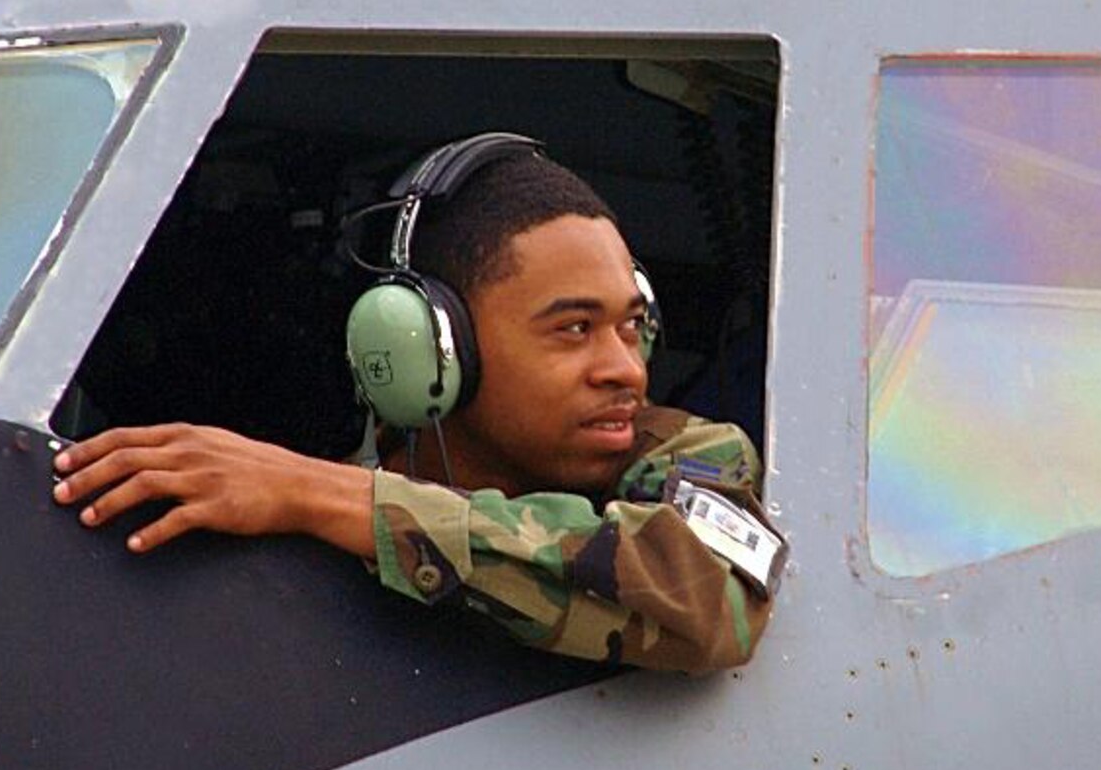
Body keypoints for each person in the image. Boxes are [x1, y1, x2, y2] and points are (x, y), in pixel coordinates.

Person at [52, 142, 781, 675]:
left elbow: (710, 596)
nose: (625, 369)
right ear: (435, 351)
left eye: (632, 326)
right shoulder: (293, 549)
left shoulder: (683, 454)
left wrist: (317, 494)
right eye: (574, 330)